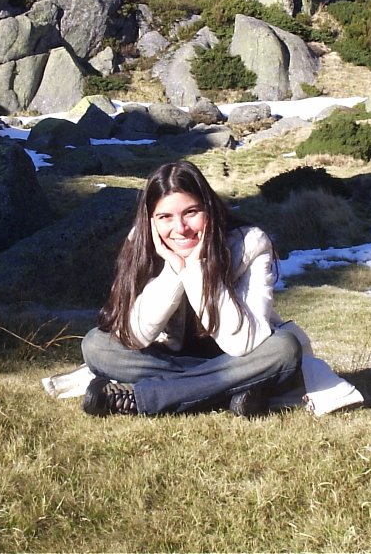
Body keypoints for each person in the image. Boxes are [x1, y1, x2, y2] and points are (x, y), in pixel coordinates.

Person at [79, 160, 307, 417]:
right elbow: (134, 336)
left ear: (208, 209)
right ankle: (232, 389)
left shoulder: (249, 245)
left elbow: (244, 343)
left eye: (191, 212)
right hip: (172, 360)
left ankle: (146, 396)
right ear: (151, 220)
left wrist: (196, 268)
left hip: (238, 358)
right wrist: (175, 270)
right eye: (165, 217)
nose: (180, 229)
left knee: (284, 348)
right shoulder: (141, 246)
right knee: (96, 345)